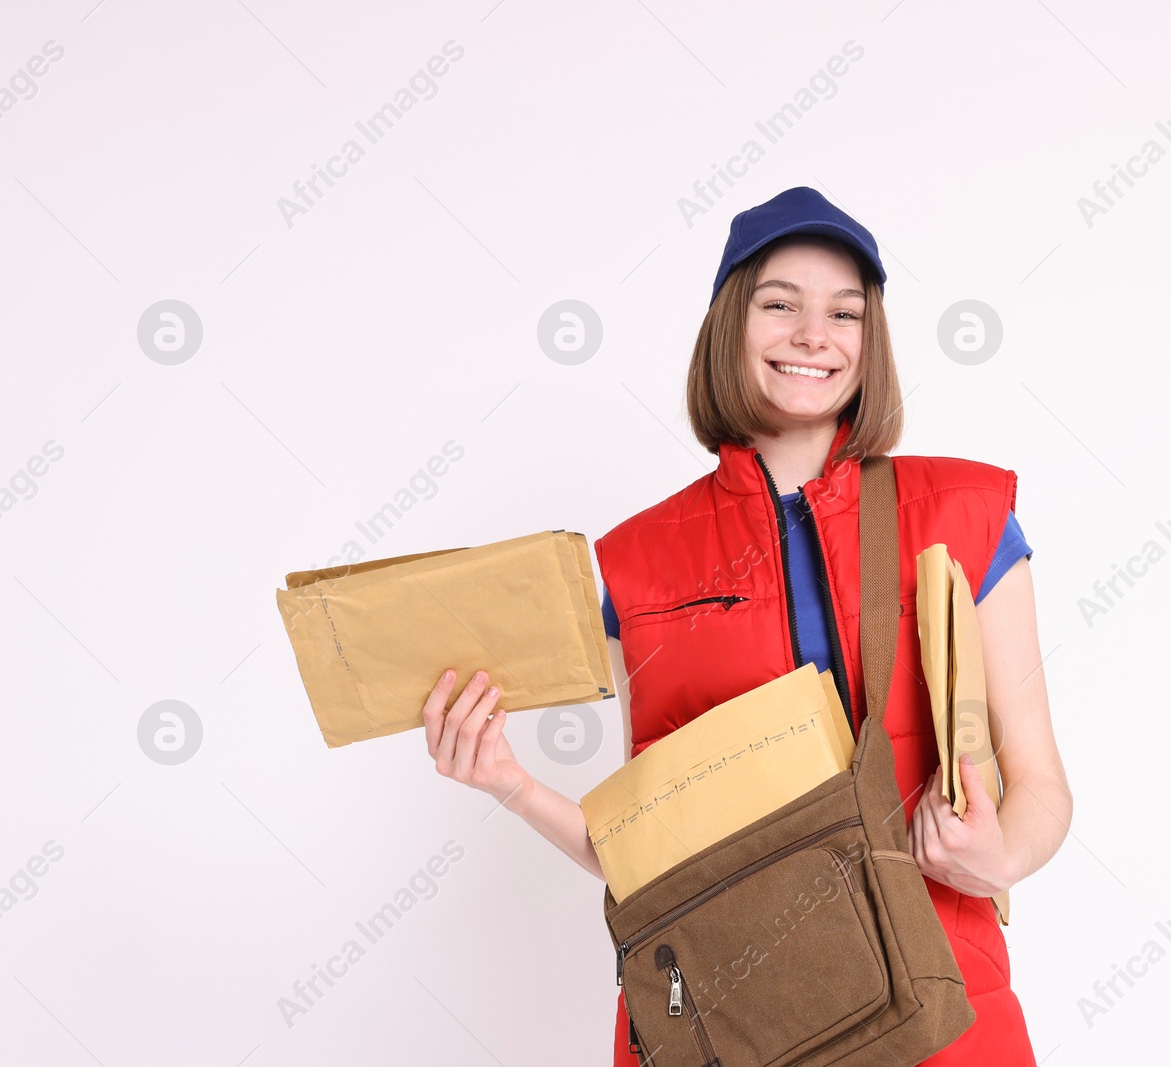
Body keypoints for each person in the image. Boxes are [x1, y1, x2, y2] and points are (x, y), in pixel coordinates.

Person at [420, 186, 1072, 1066]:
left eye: (845, 312)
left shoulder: (968, 512)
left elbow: (1043, 785)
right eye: (781, 304)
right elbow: (654, 857)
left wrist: (996, 859)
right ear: (731, 324)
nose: (814, 334)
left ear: (867, 342)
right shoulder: (637, 562)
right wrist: (508, 781)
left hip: (943, 1003)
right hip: (735, 1018)